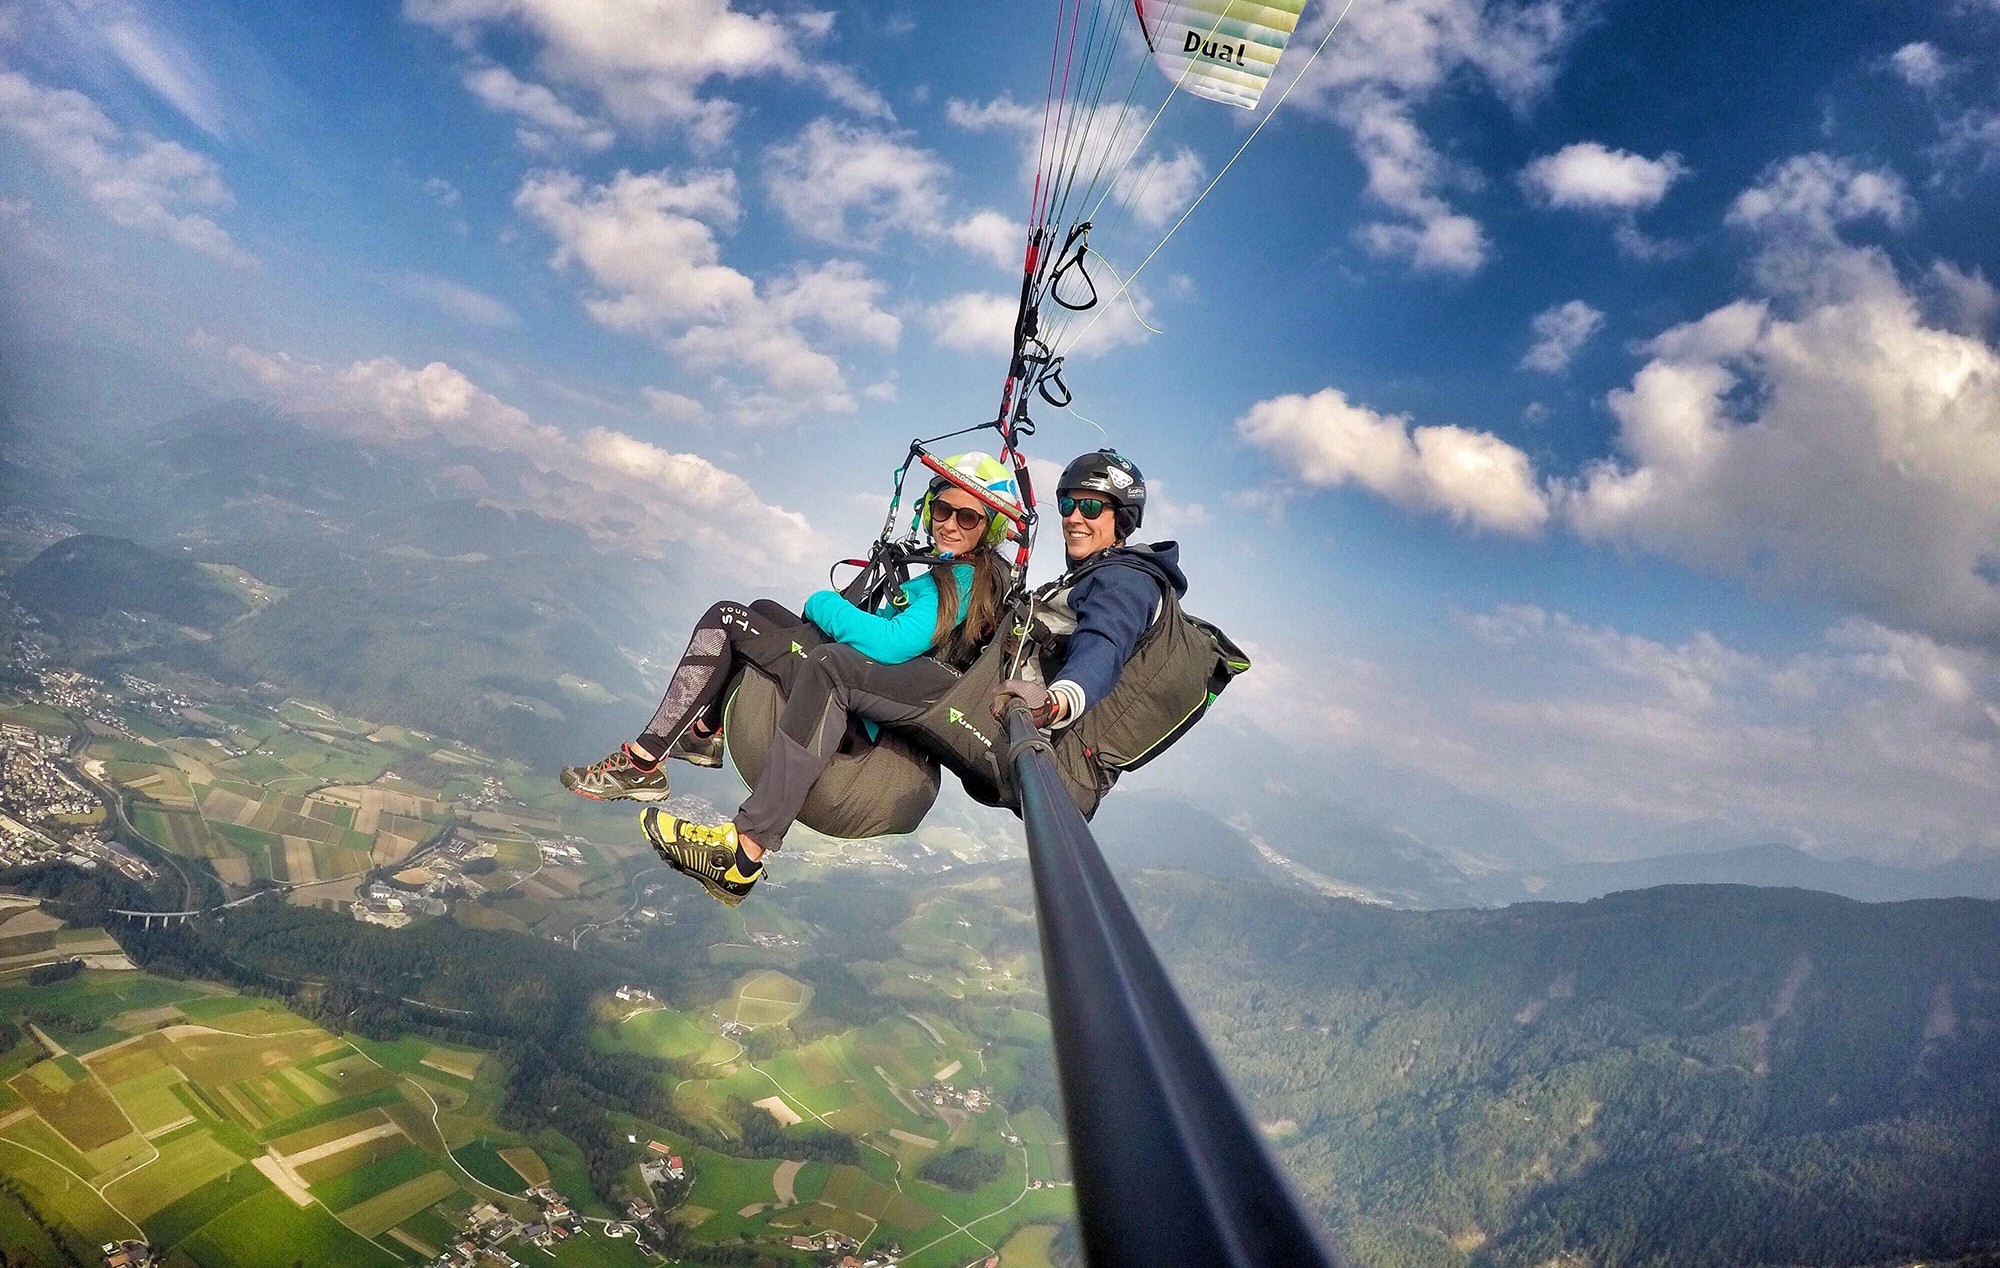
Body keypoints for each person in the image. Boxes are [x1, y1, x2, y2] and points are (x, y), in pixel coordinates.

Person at [605, 453, 1022, 906]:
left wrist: (823, 603)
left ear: (988, 530)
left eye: (968, 517)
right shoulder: (971, 577)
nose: (949, 525)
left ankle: (662, 777)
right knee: (763, 611)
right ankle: (705, 734)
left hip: (861, 719)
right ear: (928, 509)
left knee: (728, 619)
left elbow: (891, 643)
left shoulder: (957, 582)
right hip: (878, 699)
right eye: (943, 510)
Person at [995, 448, 1183, 736]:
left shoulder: (1126, 582)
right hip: (1007, 713)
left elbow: (1104, 642)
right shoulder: (1091, 575)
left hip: (1033, 735)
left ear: (1122, 519)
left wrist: (1054, 703)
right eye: (1067, 505)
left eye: (1091, 508)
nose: (1073, 518)